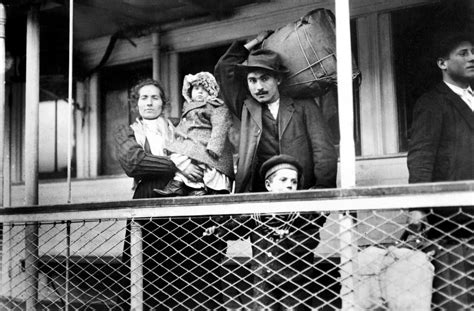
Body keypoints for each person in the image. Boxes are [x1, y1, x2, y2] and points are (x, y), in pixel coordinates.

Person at [115, 78, 225, 310]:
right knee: (146, 268)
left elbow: (207, 145)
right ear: (136, 103)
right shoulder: (128, 131)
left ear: (163, 103)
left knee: (186, 270)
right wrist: (177, 163)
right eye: (144, 98)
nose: (149, 103)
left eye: (155, 97)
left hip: (185, 201)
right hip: (148, 201)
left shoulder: (181, 125)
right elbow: (134, 163)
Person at [214, 31, 337, 193]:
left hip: (299, 192)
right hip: (256, 196)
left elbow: (323, 151)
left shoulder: (304, 105)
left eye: (265, 79)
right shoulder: (246, 108)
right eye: (252, 80)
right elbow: (223, 68)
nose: (258, 87)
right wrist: (255, 41)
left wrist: (322, 190)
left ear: (278, 80)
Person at [206, 154, 327, 309]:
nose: (289, 185)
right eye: (283, 180)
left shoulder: (302, 213)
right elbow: (237, 227)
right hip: (263, 278)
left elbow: (311, 238)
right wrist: (218, 230)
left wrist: (288, 240)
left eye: (294, 181)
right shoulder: (258, 212)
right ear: (268, 185)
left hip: (295, 279)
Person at [406, 32, 474, 310]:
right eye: (463, 53)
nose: (472, 58)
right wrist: (417, 207)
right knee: (456, 296)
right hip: (452, 219)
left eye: (473, 52)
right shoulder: (432, 103)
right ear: (442, 63)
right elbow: (421, 156)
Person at [155, 71, 234, 197]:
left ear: (211, 93)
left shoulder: (215, 106)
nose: (200, 92)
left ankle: (211, 190)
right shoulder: (187, 108)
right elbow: (182, 126)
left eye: (205, 90)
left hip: (206, 143)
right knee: (182, 157)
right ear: (189, 91)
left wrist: (215, 146)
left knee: (210, 168)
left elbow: (220, 125)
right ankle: (180, 185)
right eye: (196, 89)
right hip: (191, 142)